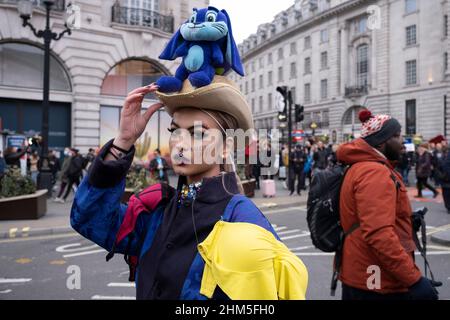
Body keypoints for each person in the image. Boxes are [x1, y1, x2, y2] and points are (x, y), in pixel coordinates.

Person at [70, 75, 309, 300]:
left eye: (197, 133)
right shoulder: (157, 210)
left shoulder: (241, 218)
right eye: (174, 131)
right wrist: (123, 142)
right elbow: (89, 219)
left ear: (226, 147)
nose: (180, 145)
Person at [337, 110, 438, 300]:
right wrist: (414, 280)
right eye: (397, 136)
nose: (402, 143)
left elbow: (369, 218)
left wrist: (405, 221)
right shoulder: (374, 172)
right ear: (382, 142)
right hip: (374, 278)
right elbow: (378, 234)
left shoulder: (364, 166)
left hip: (364, 273)